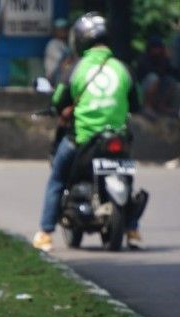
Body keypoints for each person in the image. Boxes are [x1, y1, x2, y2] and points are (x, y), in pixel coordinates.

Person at [32, 12, 141, 252]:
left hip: (84, 138)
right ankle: (133, 230)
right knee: (127, 173)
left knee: (58, 177)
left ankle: (45, 233)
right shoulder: (123, 69)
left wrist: (57, 108)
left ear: (81, 40)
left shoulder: (77, 69)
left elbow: (60, 100)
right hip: (118, 138)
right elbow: (136, 103)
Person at [44, 18, 72, 86]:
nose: (63, 31)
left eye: (65, 29)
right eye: (60, 29)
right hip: (52, 78)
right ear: (56, 31)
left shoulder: (65, 44)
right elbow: (64, 60)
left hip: (62, 78)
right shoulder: (52, 44)